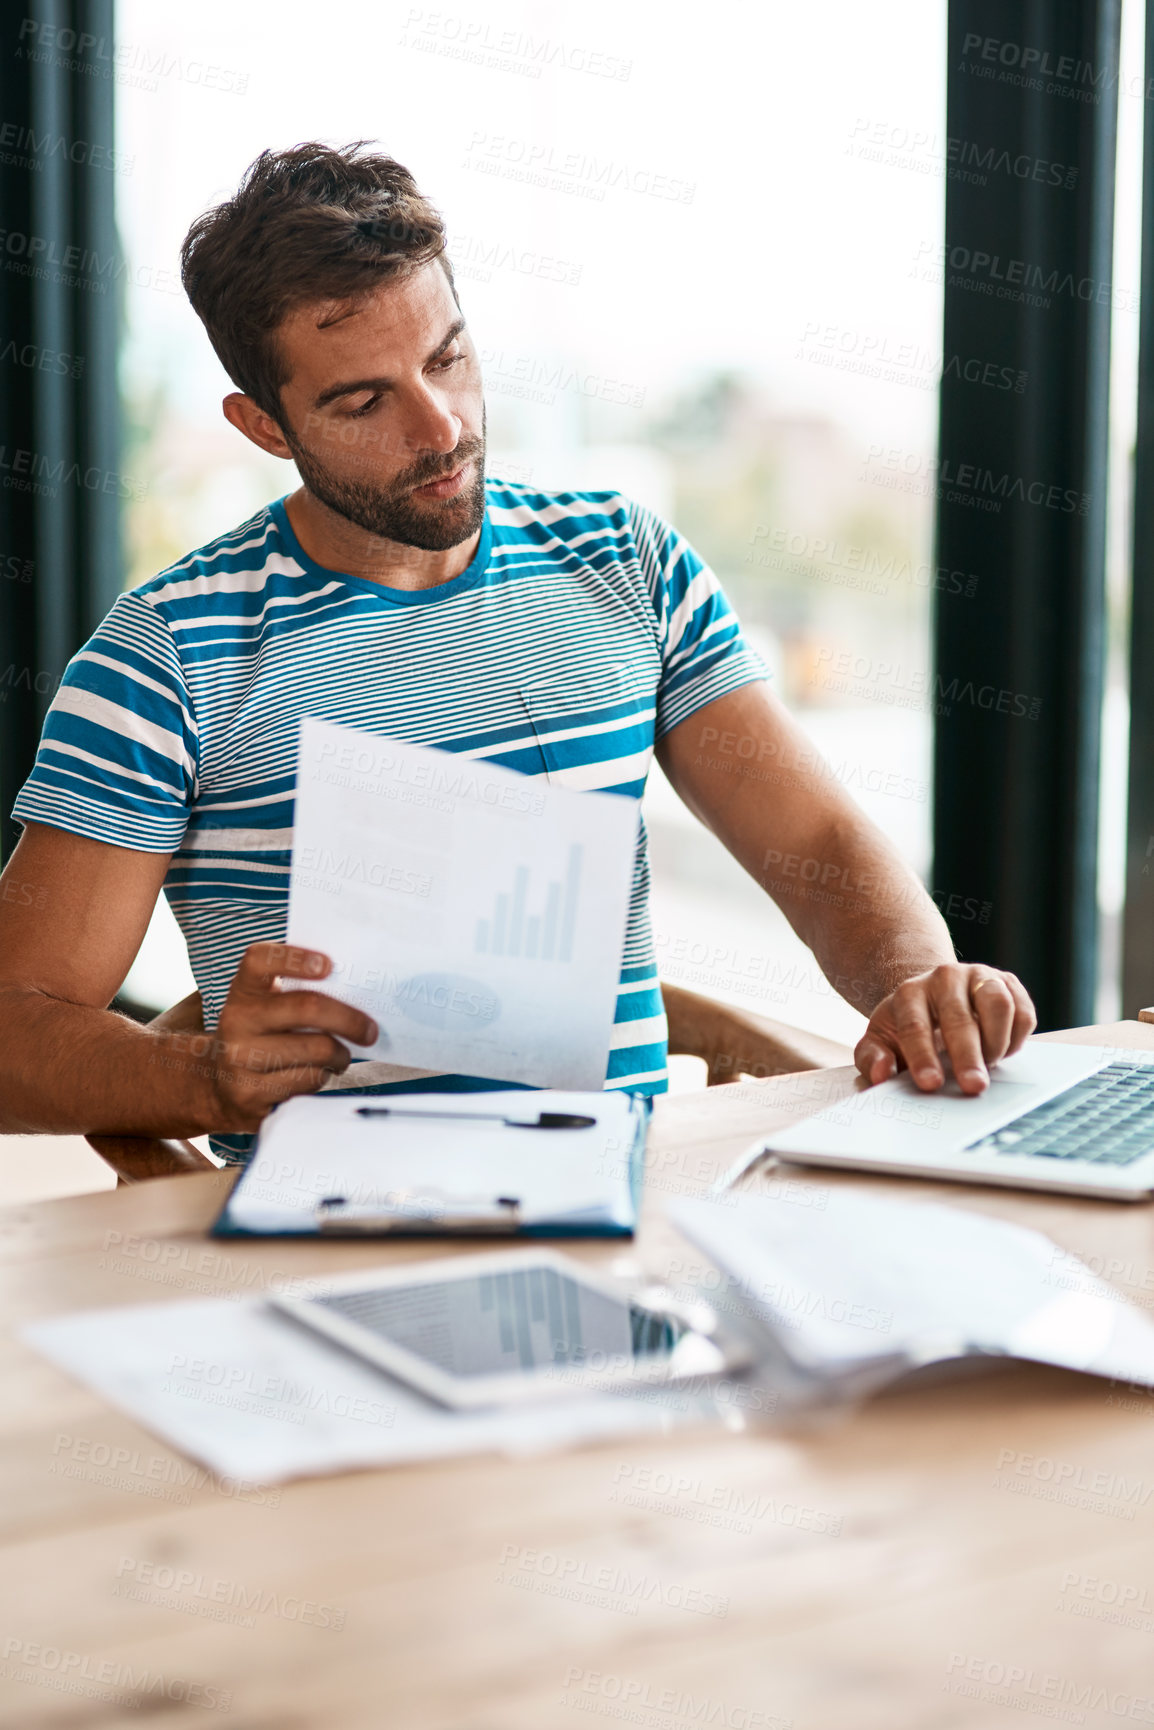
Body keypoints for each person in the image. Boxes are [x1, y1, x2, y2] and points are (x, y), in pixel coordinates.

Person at [0, 141, 1035, 1162]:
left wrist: (916, 985)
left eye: (447, 357)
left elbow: (818, 846)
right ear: (264, 425)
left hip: (622, 1212)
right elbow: (14, 1030)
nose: (439, 426)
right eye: (362, 401)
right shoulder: (166, 655)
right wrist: (205, 1076)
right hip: (323, 1241)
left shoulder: (623, 557)